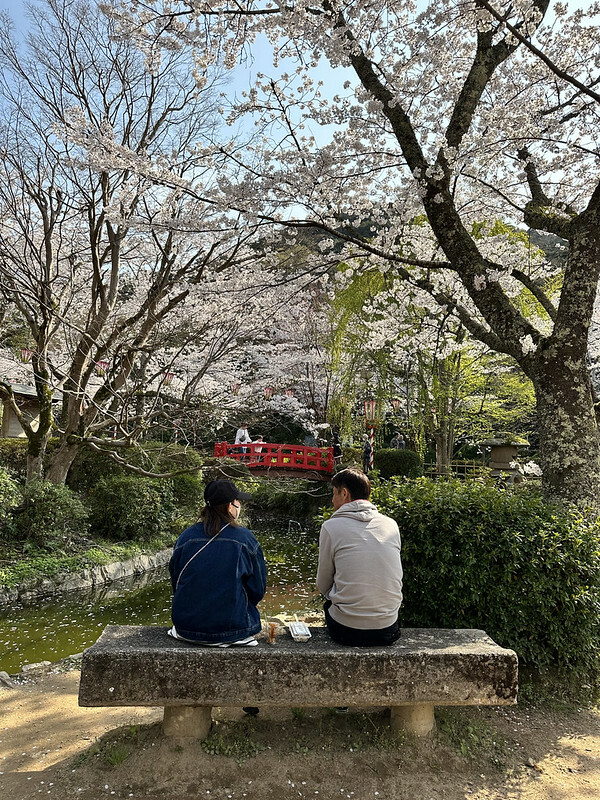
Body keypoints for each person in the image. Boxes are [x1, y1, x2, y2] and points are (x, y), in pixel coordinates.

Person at [168, 479, 267, 647]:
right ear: (230, 506)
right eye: (237, 501)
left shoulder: (186, 537)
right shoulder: (245, 539)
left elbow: (176, 581)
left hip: (186, 627)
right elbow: (257, 589)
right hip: (233, 629)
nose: (239, 505)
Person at [316, 468, 403, 647]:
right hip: (387, 628)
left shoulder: (331, 527)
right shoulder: (391, 525)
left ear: (345, 494)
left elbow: (323, 583)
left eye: (334, 494)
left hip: (347, 631)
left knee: (330, 605)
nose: (332, 500)